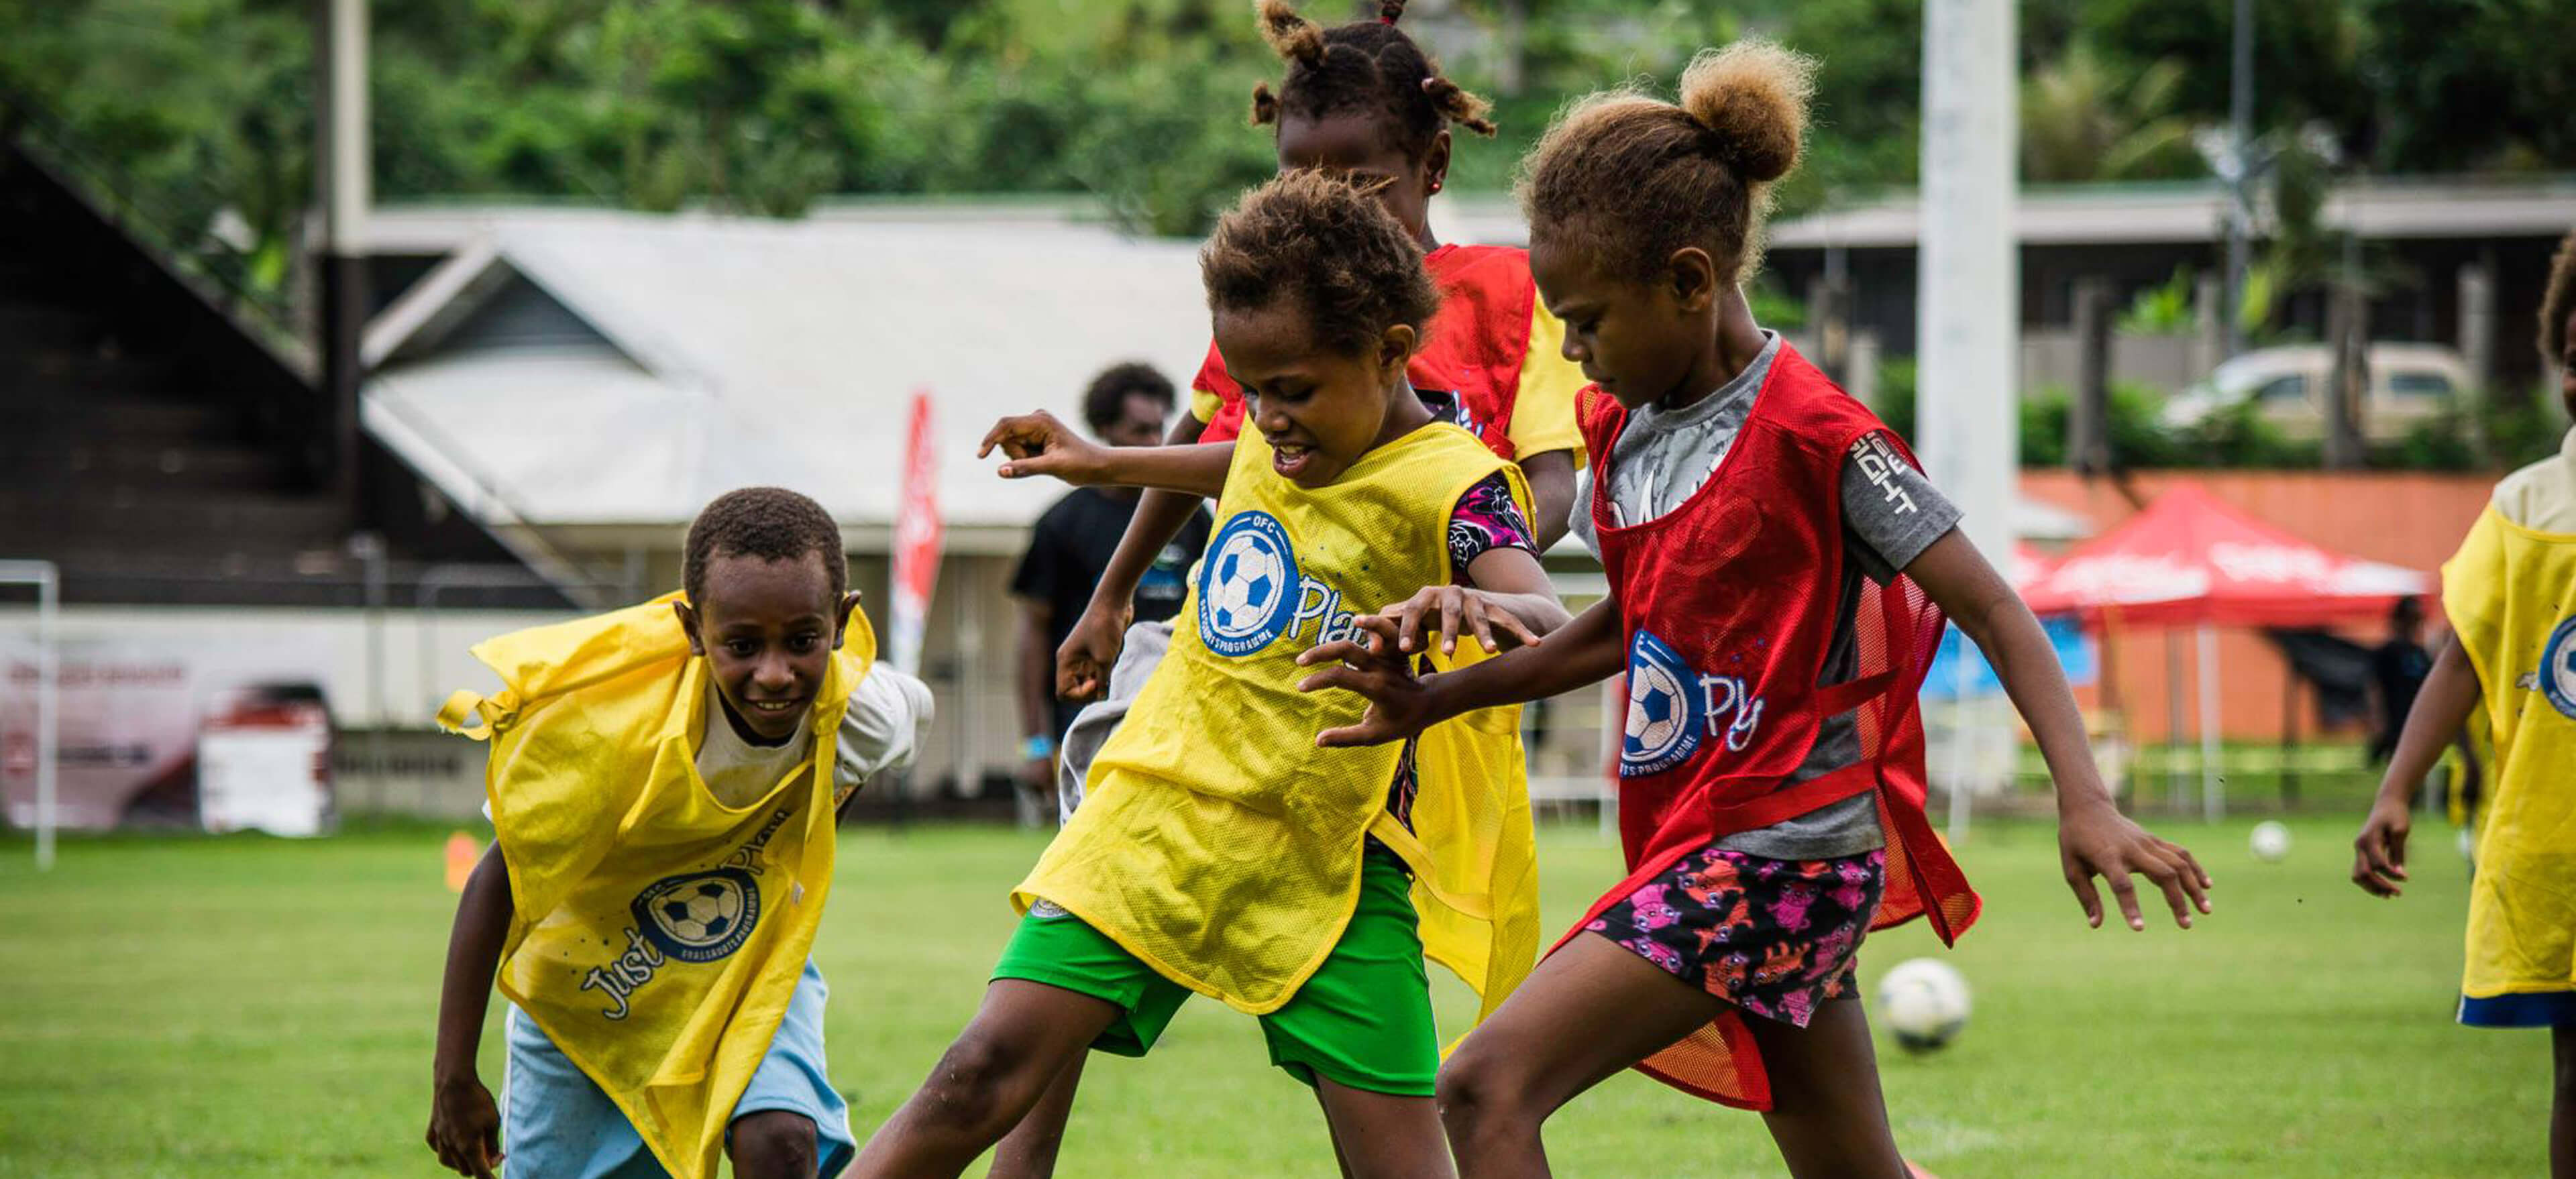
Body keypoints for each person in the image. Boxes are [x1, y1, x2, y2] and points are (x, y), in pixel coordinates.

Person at [1297, 43, 2210, 1176]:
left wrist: (2086, 799)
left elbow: (1996, 608)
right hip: (1706, 836)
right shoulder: (1623, 431)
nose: (1573, 350)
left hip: (1782, 848)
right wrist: (1438, 697)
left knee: (1486, 1086)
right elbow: (1628, 623)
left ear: (1689, 282)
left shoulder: (1818, 437)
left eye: (1587, 320)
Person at [849, 170, 1568, 1179]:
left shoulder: (1455, 483)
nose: (1269, 417)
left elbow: (1551, 619)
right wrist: (1100, 461)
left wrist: (1478, 606)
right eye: (1253, 390)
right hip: (1158, 816)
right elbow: (1230, 459)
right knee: (976, 1072)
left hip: (1331, 862)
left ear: (1393, 351)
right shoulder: (1286, 437)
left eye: (1295, 389)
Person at [423, 488, 933, 1179]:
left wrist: (794, 842)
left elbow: (887, 736)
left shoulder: (863, 714)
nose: (776, 673)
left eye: (803, 641)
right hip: (592, 988)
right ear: (694, 630)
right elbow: (494, 880)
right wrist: (454, 1076)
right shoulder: (607, 731)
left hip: (745, 965)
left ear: (841, 623)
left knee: (781, 1142)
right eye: (743, 645)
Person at [2355, 225, 2576, 1177]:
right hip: (2556, 846)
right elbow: (2462, 658)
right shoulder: (2529, 507)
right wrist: (2397, 788)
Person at [1008, 363, 1208, 809]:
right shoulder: (1061, 524)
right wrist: (1037, 744)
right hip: (1093, 715)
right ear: (1104, 430)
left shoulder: (1191, 516)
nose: (1156, 445)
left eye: (1160, 429)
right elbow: (1033, 635)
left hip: (1173, 716)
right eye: (1141, 430)